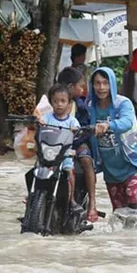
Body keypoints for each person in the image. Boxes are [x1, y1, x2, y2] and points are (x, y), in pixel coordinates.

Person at [88, 68, 137, 212]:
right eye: (97, 83)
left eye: (105, 83)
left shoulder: (122, 103)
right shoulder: (90, 106)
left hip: (133, 165)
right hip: (110, 171)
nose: (101, 87)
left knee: (134, 207)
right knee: (119, 213)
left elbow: (127, 122)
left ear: (112, 84)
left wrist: (108, 125)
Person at [55, 67, 99, 222]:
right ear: (69, 87)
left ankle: (92, 203)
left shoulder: (80, 105)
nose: (82, 90)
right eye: (80, 86)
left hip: (77, 143)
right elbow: (40, 115)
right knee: (40, 160)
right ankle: (34, 198)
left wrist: (84, 130)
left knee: (86, 161)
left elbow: (87, 124)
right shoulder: (50, 103)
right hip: (55, 144)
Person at [42, 84, 84, 214]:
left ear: (69, 103)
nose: (59, 104)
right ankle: (33, 196)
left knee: (69, 171)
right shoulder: (47, 117)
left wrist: (76, 131)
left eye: (62, 101)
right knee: (37, 171)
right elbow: (40, 126)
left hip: (64, 154)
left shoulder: (72, 121)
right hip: (48, 153)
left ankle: (71, 200)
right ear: (51, 102)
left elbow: (78, 132)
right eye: (55, 101)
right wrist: (38, 123)